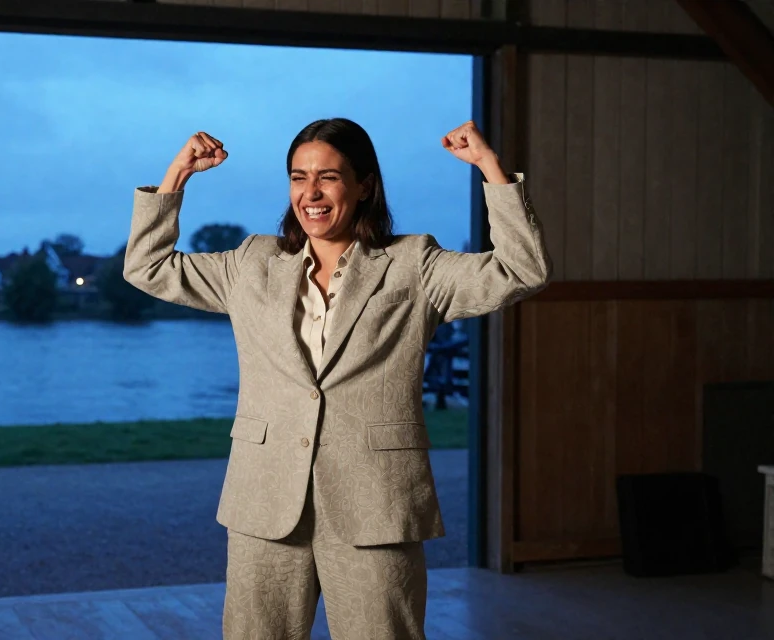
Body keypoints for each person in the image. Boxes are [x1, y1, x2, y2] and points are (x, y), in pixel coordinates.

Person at [123, 118, 551, 640]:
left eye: (328, 176)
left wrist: (490, 168)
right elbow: (147, 267)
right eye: (298, 177)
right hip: (265, 500)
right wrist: (178, 174)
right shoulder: (252, 262)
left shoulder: (414, 264)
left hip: (375, 503)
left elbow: (521, 270)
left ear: (364, 184)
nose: (311, 193)